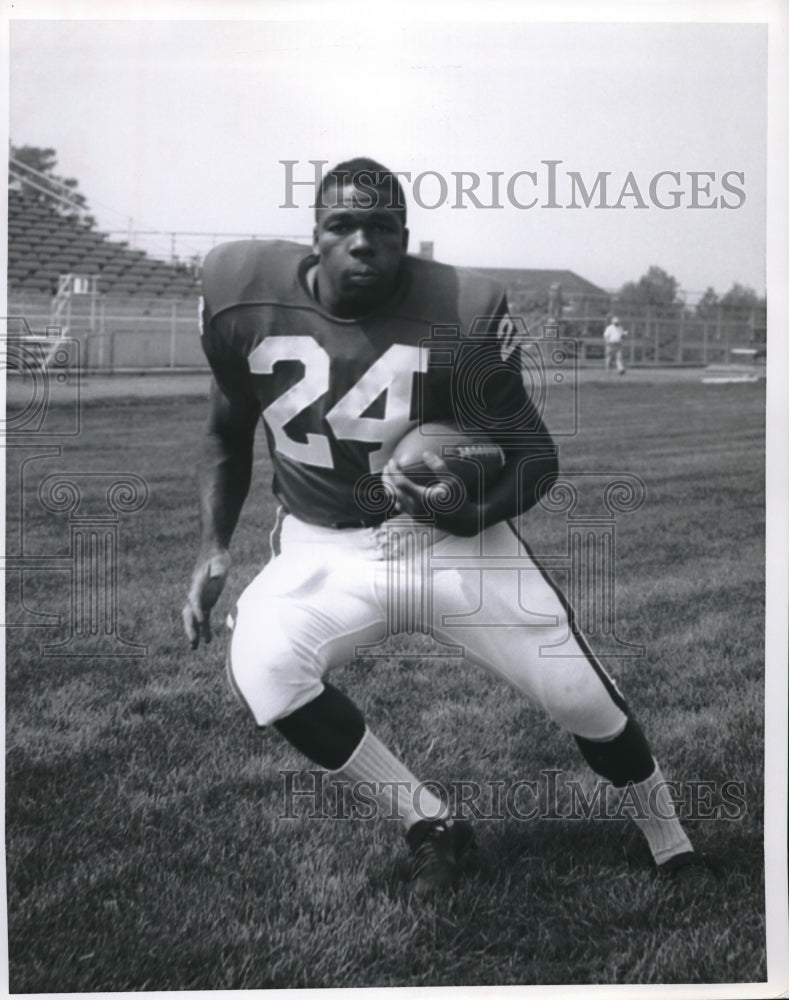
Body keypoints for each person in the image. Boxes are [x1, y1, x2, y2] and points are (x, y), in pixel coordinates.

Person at [182, 158, 716, 895]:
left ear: (407, 238)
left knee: (578, 697)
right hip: (322, 543)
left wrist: (460, 513)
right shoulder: (241, 295)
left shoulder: (459, 310)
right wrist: (212, 548)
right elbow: (224, 432)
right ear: (314, 236)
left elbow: (533, 460)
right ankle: (431, 825)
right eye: (342, 225)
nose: (361, 243)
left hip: (450, 540)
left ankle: (669, 837)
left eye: (381, 228)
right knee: (265, 669)